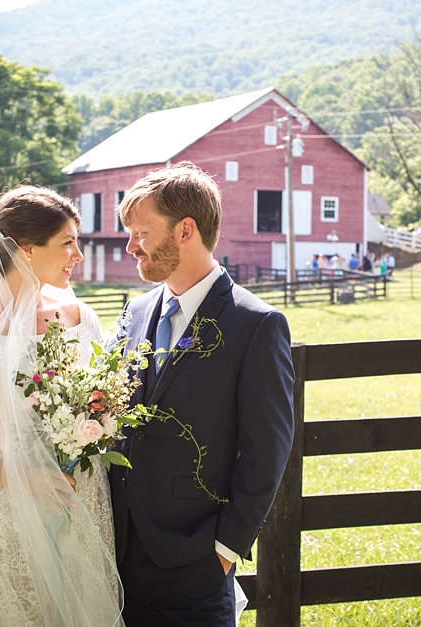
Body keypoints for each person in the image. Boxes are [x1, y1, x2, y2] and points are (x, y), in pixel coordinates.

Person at [0, 186, 124, 627]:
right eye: (68, 243)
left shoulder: (80, 318)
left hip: (80, 500)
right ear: (27, 250)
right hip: (0, 514)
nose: (79, 255)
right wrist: (25, 479)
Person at [110, 163, 295, 626]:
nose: (131, 246)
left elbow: (267, 449)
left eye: (141, 233)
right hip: (117, 557)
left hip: (196, 563)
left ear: (185, 230)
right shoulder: (135, 312)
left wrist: (225, 548)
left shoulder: (256, 324)